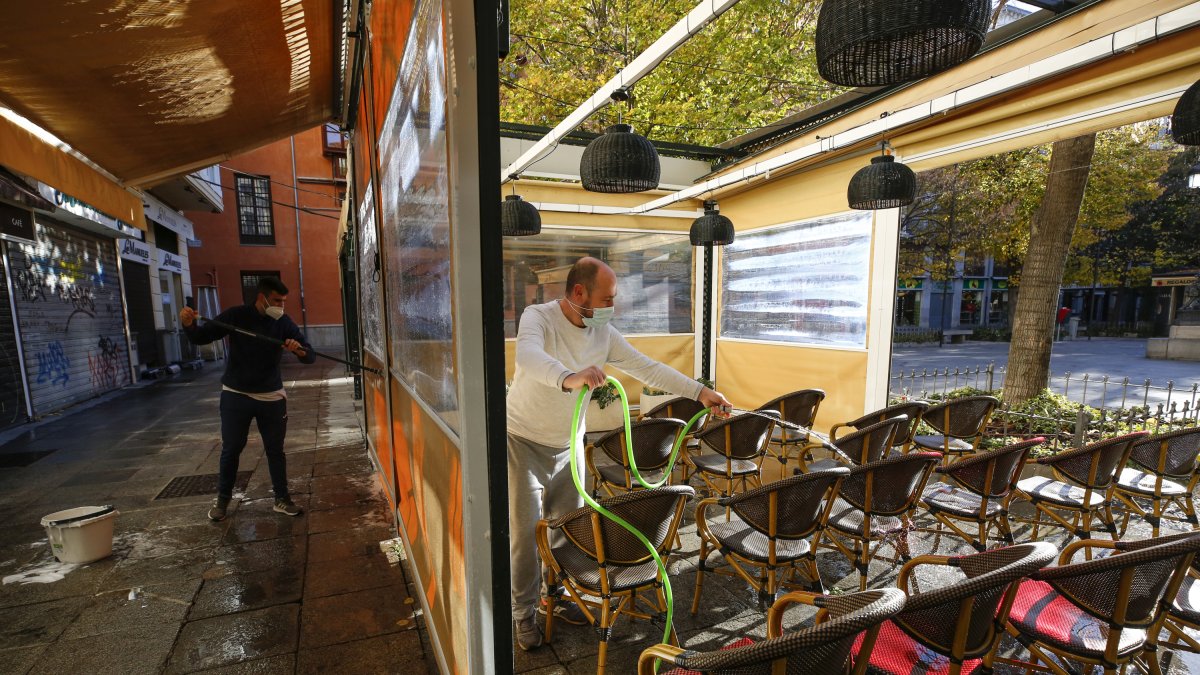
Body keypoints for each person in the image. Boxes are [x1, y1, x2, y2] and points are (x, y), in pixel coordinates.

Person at [506, 256, 732, 651]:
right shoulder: (538, 317)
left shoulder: (603, 333)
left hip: (569, 445)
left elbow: (647, 368)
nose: (613, 306)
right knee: (525, 535)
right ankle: (522, 613)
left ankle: (555, 596)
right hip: (523, 440)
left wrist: (700, 392)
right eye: (607, 298)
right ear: (579, 292)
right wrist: (568, 377)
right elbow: (528, 356)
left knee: (567, 528)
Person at [179, 277, 316, 522]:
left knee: (275, 450)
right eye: (277, 300)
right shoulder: (236, 315)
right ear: (262, 298)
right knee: (232, 448)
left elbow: (310, 355)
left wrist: (299, 350)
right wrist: (188, 325)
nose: (281, 306)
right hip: (236, 394)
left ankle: (282, 499)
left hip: (271, 395)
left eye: (283, 301)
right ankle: (222, 500)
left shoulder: (283, 322)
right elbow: (202, 337)